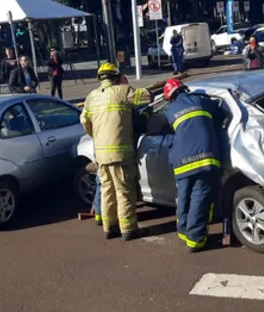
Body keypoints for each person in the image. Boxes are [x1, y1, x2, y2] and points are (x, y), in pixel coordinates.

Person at [80, 63, 152, 241]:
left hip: (101, 154)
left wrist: (96, 135)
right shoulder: (122, 91)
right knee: (124, 191)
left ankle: (109, 228)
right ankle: (128, 229)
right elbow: (147, 97)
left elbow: (84, 121)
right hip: (121, 153)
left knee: (107, 191)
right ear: (116, 77)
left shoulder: (91, 97)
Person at [162, 79, 222, 252]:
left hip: (181, 161)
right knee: (199, 198)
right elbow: (220, 114)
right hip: (205, 157)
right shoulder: (201, 100)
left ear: (169, 97)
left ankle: (183, 232)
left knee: (184, 196)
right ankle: (195, 240)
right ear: (184, 89)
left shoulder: (170, 110)